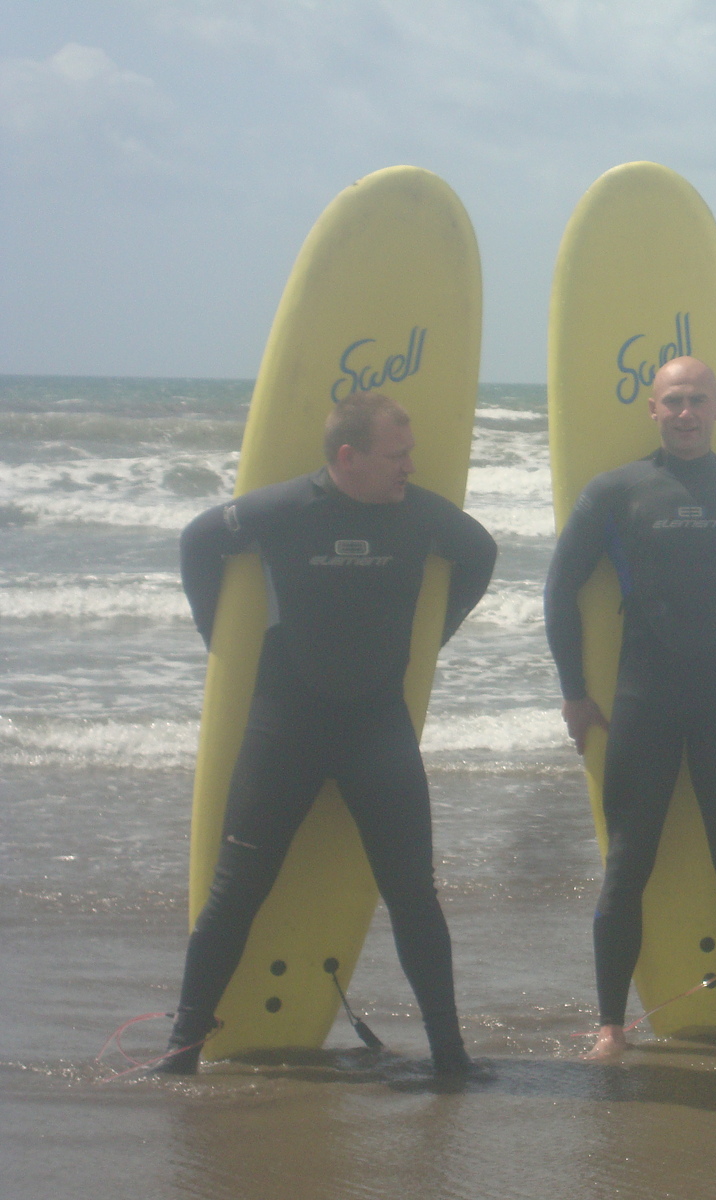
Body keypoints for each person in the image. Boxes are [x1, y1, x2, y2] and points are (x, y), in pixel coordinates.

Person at [157, 391, 497, 1075]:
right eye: (396, 456)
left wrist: (435, 636)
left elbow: (481, 554)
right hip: (286, 724)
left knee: (414, 896)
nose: (409, 467)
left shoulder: (422, 515)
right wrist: (216, 638)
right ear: (349, 457)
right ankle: (181, 1050)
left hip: (378, 728)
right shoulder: (285, 509)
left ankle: (451, 1056)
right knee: (236, 891)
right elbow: (198, 540)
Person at [545, 356, 716, 1060]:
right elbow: (560, 589)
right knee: (627, 865)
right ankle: (610, 1028)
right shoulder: (616, 492)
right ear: (653, 410)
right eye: (673, 401)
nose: (686, 413)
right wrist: (574, 692)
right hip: (644, 700)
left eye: (697, 400)